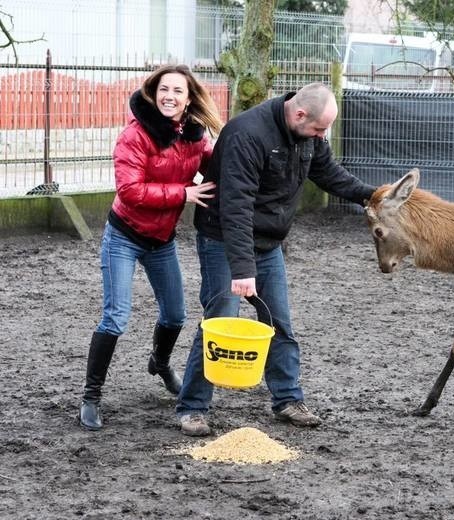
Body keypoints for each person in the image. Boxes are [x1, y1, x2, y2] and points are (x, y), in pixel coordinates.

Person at [176, 82, 376, 436]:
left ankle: (287, 399)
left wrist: (372, 196)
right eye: (318, 128)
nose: (322, 135)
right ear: (299, 114)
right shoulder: (247, 134)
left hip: (267, 243)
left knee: (279, 321)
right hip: (225, 240)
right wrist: (242, 269)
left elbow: (330, 174)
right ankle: (192, 407)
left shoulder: (307, 137)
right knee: (221, 320)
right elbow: (235, 208)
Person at [79, 65, 224, 431]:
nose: (169, 96)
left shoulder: (194, 136)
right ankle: (91, 396)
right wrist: (184, 193)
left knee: (175, 314)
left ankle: (159, 363)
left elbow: (215, 165)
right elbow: (130, 191)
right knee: (116, 316)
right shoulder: (134, 135)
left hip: (162, 241)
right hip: (124, 236)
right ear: (153, 92)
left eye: (177, 91)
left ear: (189, 98)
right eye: (164, 89)